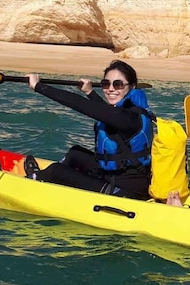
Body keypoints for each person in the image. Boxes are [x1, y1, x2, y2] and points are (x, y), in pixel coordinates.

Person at [22, 60, 154, 200]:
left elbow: (80, 104)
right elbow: (106, 113)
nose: (110, 89)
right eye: (106, 83)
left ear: (132, 87)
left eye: (118, 84)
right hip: (119, 176)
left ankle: (36, 180)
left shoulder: (128, 117)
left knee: (56, 171)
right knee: (75, 154)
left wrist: (39, 86)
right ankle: (51, 182)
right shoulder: (130, 111)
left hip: (124, 190)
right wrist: (90, 92)